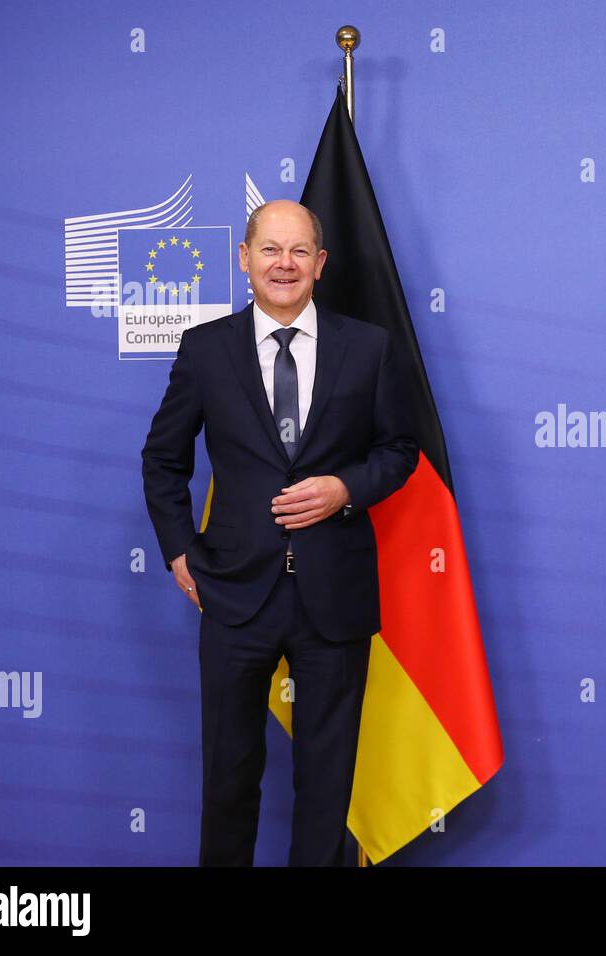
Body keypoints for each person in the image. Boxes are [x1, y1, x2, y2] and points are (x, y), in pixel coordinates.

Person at [141, 199, 419, 866]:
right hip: (235, 593)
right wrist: (181, 550)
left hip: (335, 595)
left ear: (321, 264)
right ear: (244, 258)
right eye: (270, 249)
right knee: (229, 777)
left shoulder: (370, 348)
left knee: (327, 786)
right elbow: (163, 458)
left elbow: (399, 450)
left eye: (299, 251)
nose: (284, 264)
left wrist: (347, 488)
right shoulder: (204, 350)